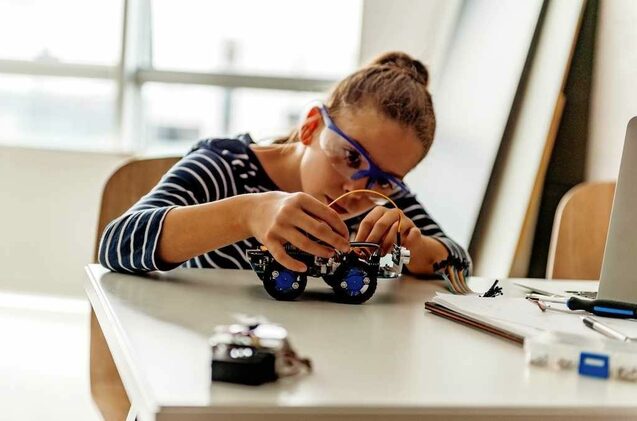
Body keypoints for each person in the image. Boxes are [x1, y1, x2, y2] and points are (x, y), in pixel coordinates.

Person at [99, 51, 471, 277]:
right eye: (351, 157)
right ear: (311, 126)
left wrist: (417, 249)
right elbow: (117, 244)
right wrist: (248, 213)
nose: (357, 189)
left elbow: (459, 263)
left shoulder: (378, 202)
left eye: (385, 179)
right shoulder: (226, 168)